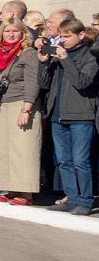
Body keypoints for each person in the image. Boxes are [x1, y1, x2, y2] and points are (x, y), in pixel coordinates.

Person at [39, 16, 97, 216]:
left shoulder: (90, 56)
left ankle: (85, 200)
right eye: (61, 36)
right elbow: (44, 84)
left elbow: (82, 82)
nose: (63, 40)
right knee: (64, 160)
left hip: (81, 114)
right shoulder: (59, 55)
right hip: (58, 114)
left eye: (68, 36)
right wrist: (45, 63)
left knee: (81, 160)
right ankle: (71, 198)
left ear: (81, 35)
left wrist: (65, 59)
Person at [0, 19, 42, 206]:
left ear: (23, 33)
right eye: (7, 31)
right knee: (4, 149)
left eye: (15, 31)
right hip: (1, 104)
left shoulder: (28, 53)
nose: (10, 35)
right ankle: (9, 188)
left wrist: (26, 109)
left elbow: (32, 82)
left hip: (22, 103)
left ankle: (26, 193)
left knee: (24, 148)